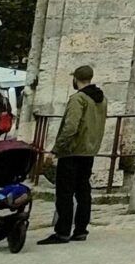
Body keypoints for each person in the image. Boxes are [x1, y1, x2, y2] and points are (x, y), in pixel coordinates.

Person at [42, 66, 105, 244]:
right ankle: (80, 230)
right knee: (83, 191)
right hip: (89, 150)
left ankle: (62, 231)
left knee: (65, 192)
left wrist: (56, 149)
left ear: (76, 78)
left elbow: (71, 127)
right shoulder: (101, 99)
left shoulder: (78, 99)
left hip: (72, 151)